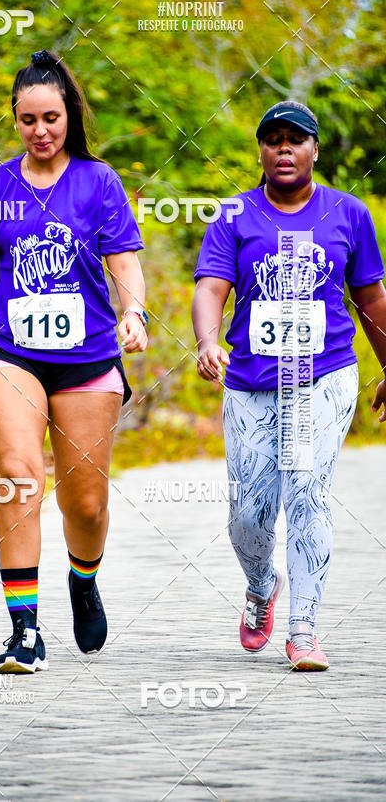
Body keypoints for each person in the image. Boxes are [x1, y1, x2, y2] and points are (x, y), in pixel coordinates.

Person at [0, 49, 147, 674]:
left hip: (87, 360)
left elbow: (125, 260)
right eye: (28, 119)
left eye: (51, 118)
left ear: (68, 116)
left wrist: (133, 312)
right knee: (18, 477)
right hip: (10, 355)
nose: (41, 131)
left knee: (84, 506)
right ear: (14, 119)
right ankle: (24, 630)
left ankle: (83, 580)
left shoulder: (98, 181)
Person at [192, 100, 386, 670]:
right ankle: (261, 583)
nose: (284, 148)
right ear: (260, 150)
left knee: (306, 491)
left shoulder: (348, 214)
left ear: (314, 150)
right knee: (249, 512)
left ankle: (304, 627)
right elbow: (210, 287)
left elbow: (371, 299)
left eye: (295, 140)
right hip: (251, 378)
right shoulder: (233, 215)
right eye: (273, 139)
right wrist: (208, 341)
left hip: (323, 375)